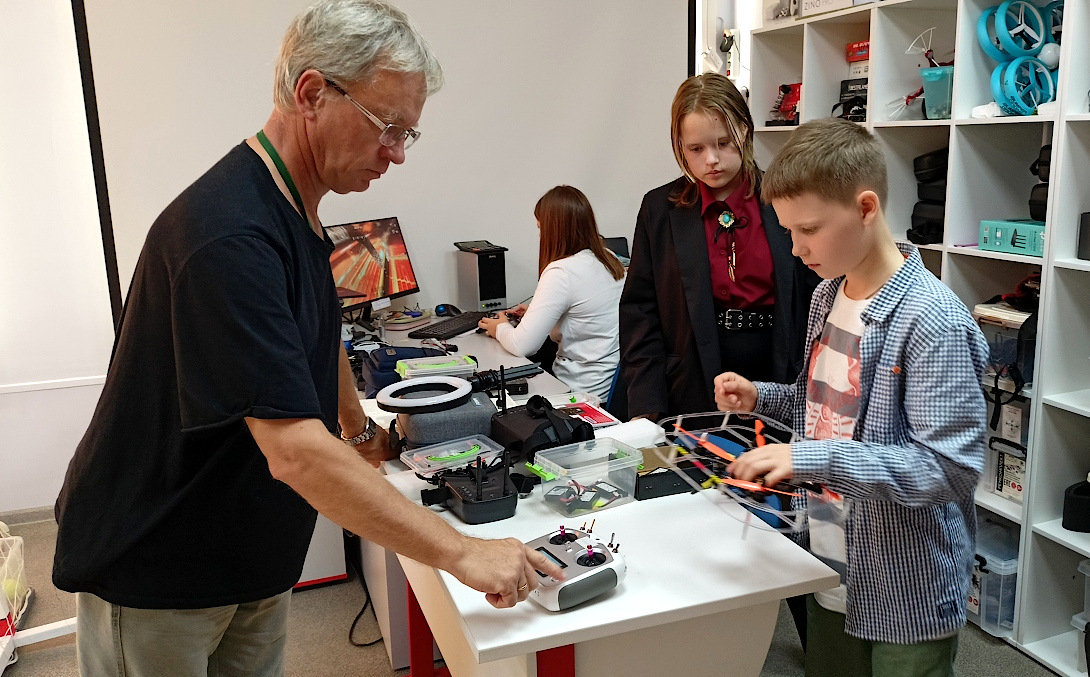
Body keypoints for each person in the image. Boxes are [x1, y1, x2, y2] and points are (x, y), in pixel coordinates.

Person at [52, 2, 561, 675]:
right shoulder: (230, 235)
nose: (397, 153)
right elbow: (294, 450)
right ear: (313, 93)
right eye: (388, 127)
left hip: (249, 553)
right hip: (162, 565)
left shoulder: (297, 210)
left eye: (408, 134)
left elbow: (318, 336)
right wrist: (462, 551)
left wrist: (357, 429)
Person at [717, 118, 988, 677]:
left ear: (866, 208)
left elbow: (948, 468)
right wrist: (761, 397)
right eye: (788, 231)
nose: (796, 249)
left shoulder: (932, 320)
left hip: (905, 587)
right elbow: (818, 407)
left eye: (809, 230)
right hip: (831, 559)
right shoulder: (826, 296)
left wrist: (810, 459)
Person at [619, 73, 822, 421]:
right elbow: (640, 315)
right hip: (689, 384)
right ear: (680, 146)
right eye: (695, 149)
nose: (711, 160)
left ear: (744, 130)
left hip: (780, 375)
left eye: (724, 143)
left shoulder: (786, 200)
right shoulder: (659, 209)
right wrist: (645, 408)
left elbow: (817, 298)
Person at [477, 185, 625, 401]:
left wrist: (499, 327)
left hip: (578, 393)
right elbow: (588, 317)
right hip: (608, 387)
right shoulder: (609, 258)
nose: (540, 236)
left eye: (541, 228)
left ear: (553, 230)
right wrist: (537, 312)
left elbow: (522, 346)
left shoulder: (562, 271)